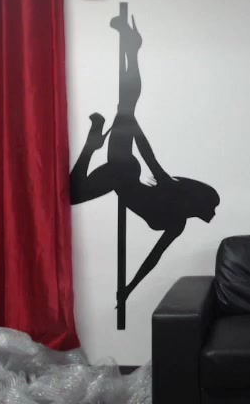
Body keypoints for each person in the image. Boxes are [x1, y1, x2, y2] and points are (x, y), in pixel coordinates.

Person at [70, 15, 219, 303]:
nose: (212, 215)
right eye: (211, 207)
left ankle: (93, 141)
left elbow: (154, 257)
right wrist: (133, 127)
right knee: (126, 107)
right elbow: (150, 159)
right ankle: (132, 49)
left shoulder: (177, 224)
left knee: (126, 106)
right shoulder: (172, 191)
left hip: (123, 176)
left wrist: (129, 289)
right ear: (198, 201)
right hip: (123, 172)